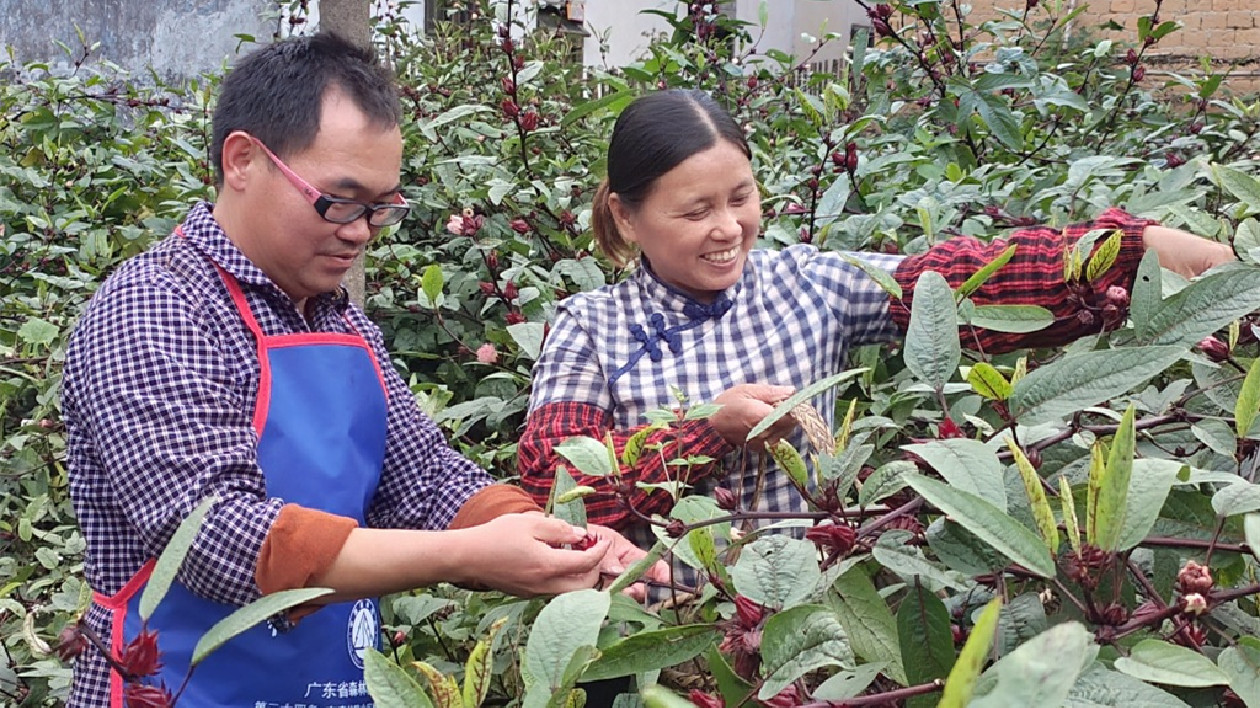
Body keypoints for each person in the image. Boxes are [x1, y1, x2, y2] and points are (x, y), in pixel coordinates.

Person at [62, 33, 659, 708]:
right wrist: (468, 555)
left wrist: (559, 539)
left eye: (381, 207)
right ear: (243, 160)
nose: (361, 231)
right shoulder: (154, 307)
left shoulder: (342, 324)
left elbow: (424, 482)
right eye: (339, 201)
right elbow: (213, 536)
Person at [516, 88, 1235, 586]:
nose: (729, 228)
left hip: (816, 611)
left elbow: (956, 284)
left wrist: (1135, 252)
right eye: (696, 211)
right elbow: (555, 491)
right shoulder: (591, 327)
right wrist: (709, 432)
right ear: (628, 215)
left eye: (741, 197)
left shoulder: (806, 285)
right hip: (657, 625)